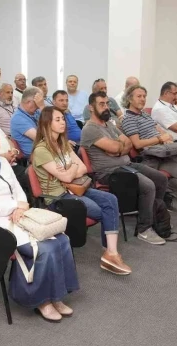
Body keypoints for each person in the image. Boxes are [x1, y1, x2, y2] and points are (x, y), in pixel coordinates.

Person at [0, 119, 78, 321]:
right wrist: (14, 207)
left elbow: (19, 190)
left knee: (62, 240)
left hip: (20, 215)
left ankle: (56, 295)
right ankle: (41, 300)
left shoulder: (2, 161)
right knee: (44, 248)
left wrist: (22, 205)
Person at [32, 106, 131, 276]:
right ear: (47, 123)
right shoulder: (41, 150)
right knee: (101, 211)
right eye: (57, 120)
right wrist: (71, 169)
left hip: (76, 189)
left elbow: (83, 167)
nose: (63, 122)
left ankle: (111, 253)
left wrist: (70, 169)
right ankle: (110, 254)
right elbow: (67, 178)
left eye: (63, 119)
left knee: (111, 199)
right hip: (58, 197)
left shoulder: (62, 144)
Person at [81, 91, 170, 245]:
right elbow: (117, 147)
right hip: (108, 173)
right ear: (91, 107)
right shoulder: (90, 129)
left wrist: (117, 149)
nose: (106, 107)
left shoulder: (108, 124)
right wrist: (118, 148)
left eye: (107, 103)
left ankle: (152, 215)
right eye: (101, 104)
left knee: (160, 179)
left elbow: (127, 143)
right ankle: (144, 229)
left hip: (125, 164)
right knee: (148, 186)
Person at [121, 86, 177, 209]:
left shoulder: (144, 115)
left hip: (166, 149)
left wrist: (166, 137)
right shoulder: (128, 119)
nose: (143, 99)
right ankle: (165, 194)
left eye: (144, 96)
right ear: (129, 99)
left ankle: (166, 193)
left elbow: (159, 129)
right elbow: (137, 144)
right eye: (139, 96)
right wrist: (159, 139)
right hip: (153, 155)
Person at [10, 86, 41, 157]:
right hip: (35, 157)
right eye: (37, 103)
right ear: (29, 102)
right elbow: (40, 139)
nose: (38, 106)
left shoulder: (35, 112)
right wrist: (42, 106)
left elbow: (53, 124)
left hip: (44, 152)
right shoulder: (18, 118)